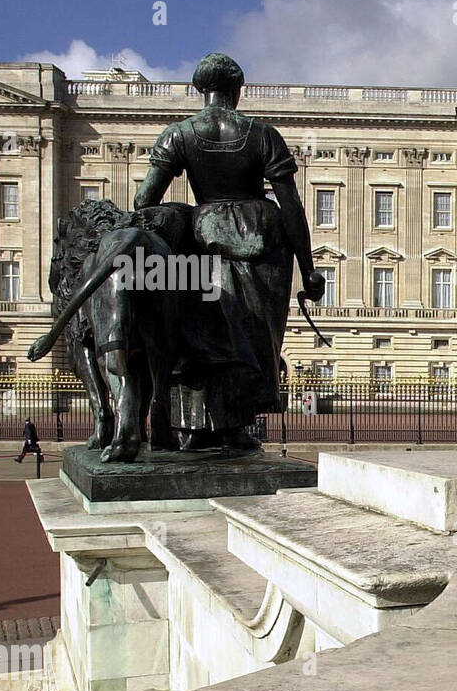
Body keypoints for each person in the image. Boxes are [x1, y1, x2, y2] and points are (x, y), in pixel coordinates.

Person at [132, 52, 326, 451]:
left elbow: (144, 199)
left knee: (203, 330)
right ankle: (235, 428)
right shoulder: (263, 134)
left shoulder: (178, 134)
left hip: (205, 234)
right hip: (262, 236)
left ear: (200, 90)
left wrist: (185, 219)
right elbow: (291, 205)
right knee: (255, 336)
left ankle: (194, 428)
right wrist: (308, 269)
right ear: (238, 91)